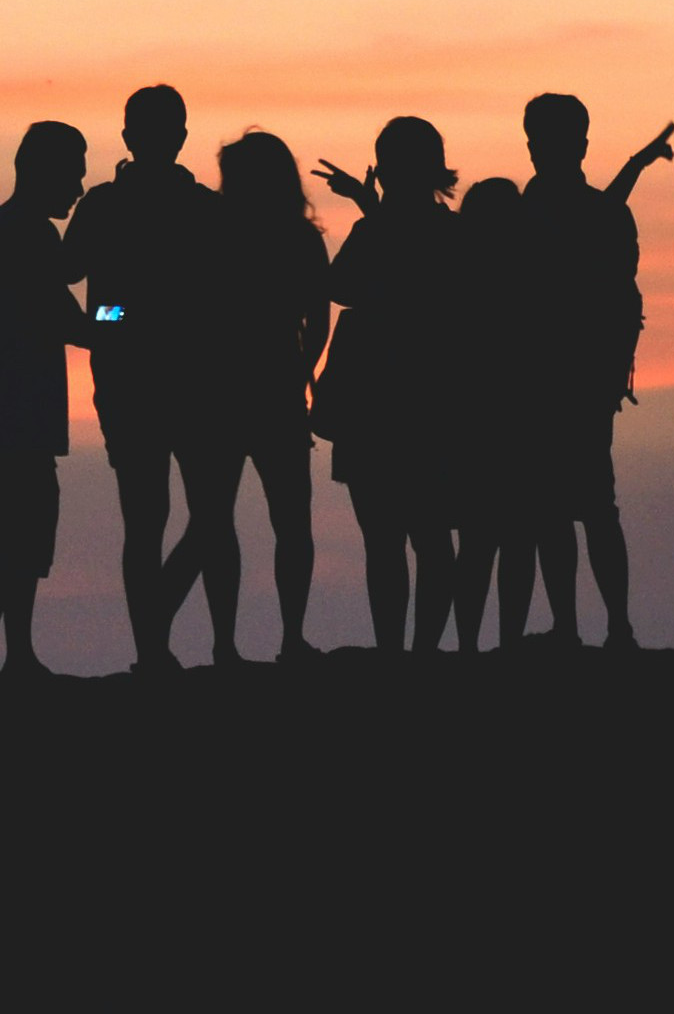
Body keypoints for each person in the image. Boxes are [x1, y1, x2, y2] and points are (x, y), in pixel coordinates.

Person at [153, 129, 334, 664]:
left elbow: (181, 313)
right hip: (266, 391)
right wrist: (299, 373)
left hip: (215, 395)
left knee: (212, 524)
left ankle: (206, 640)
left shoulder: (208, 233)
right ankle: (285, 640)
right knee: (285, 523)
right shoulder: (300, 239)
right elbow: (318, 324)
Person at [62, 85, 226, 672]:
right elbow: (72, 281)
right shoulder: (121, 205)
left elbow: (76, 284)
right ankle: (154, 647)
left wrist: (118, 316)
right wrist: (123, 317)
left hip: (178, 381)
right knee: (159, 516)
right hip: (159, 380)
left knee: (181, 517)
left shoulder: (197, 208)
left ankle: (155, 634)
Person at [313, 117, 467, 654]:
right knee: (429, 535)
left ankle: (394, 651)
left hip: (374, 399)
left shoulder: (378, 230)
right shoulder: (453, 233)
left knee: (385, 537)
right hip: (433, 399)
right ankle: (420, 650)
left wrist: (368, 209)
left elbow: (340, 286)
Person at [511, 94, 659, 648]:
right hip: (575, 383)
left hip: (551, 383)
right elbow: (623, 298)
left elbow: (619, 298)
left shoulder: (528, 214)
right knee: (585, 507)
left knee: (569, 508)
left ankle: (589, 627)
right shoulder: (604, 214)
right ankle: (598, 627)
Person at [0, 123, 99, 681]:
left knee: (12, 535)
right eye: (74, 173)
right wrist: (127, 313)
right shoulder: (26, 235)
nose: (80, 187)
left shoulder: (0, 230)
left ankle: (6, 657)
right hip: (11, 411)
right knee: (13, 536)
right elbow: (73, 321)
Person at [444, 176, 538, 650]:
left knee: (478, 544)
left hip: (471, 421)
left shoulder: (455, 272)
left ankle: (468, 645)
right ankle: (508, 642)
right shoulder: (532, 273)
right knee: (517, 540)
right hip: (519, 419)